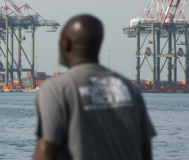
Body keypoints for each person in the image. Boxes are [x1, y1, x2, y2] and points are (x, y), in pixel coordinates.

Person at [33, 14, 156, 160]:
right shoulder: (128, 88)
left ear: (66, 44)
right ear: (98, 45)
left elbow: (46, 152)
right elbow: (146, 152)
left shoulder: (56, 88)